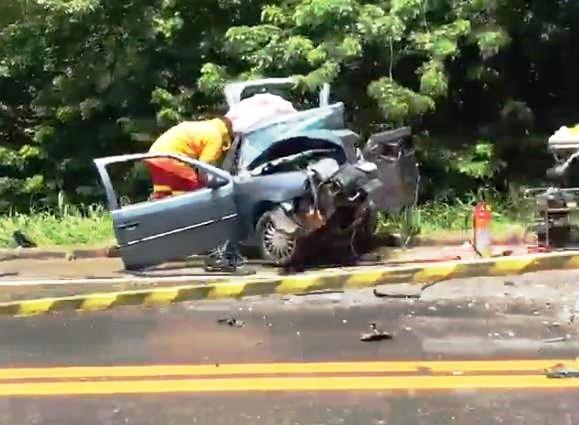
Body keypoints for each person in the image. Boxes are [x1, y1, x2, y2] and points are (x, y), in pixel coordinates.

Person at [145, 117, 234, 199]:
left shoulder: (202, 126)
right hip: (170, 156)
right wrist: (220, 180)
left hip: (152, 155)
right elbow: (204, 169)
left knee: (164, 194)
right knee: (197, 192)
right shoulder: (216, 136)